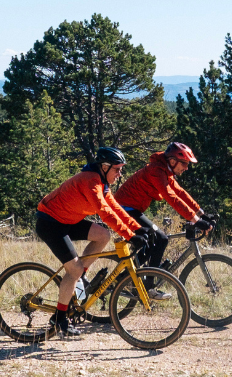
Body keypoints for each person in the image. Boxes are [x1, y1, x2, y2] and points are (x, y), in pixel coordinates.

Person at [34, 146, 148, 334]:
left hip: (68, 220)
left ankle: (79, 278)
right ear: (104, 167)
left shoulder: (102, 183)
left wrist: (136, 228)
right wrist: (131, 236)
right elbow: (105, 213)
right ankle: (59, 317)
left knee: (103, 235)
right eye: (117, 169)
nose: (120, 174)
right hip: (50, 224)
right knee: (74, 269)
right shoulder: (92, 183)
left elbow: (115, 208)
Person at [116, 141, 213, 272]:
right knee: (161, 239)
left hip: (133, 209)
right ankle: (148, 285)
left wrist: (201, 214)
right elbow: (171, 197)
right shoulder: (156, 171)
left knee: (155, 242)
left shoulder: (165, 170)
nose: (186, 168)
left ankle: (129, 278)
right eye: (184, 163)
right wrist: (196, 220)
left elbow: (179, 192)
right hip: (124, 209)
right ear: (173, 161)